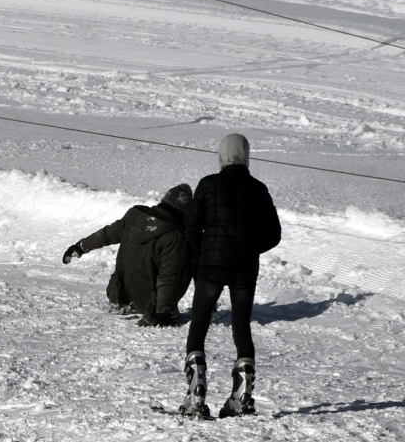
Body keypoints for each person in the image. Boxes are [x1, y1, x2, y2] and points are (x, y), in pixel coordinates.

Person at [178, 134, 281, 418]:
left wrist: (204, 252)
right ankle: (242, 396)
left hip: (210, 267)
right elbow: (274, 234)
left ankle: (195, 395)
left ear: (222, 155)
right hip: (244, 269)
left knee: (198, 326)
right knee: (241, 329)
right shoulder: (259, 189)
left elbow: (191, 225)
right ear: (246, 155)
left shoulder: (208, 184)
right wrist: (249, 248)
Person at [62, 183, 194, 325]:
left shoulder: (135, 216)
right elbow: (168, 277)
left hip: (118, 294)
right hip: (150, 304)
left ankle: (124, 305)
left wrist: (80, 246)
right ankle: (161, 308)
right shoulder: (175, 236)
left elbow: (107, 234)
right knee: (191, 254)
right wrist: (162, 312)